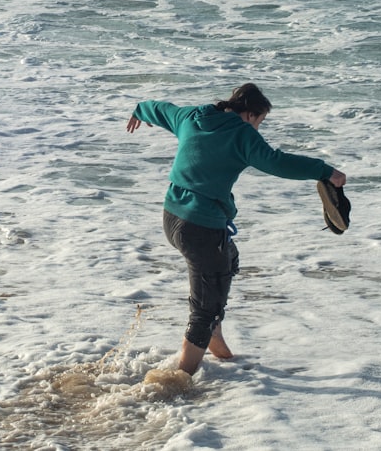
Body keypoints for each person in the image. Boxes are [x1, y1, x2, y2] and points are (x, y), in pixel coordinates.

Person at [126, 83, 346, 375]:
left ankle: (214, 335)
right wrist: (326, 171)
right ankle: (180, 380)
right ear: (250, 114)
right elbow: (277, 162)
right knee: (204, 308)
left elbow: (159, 108)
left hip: (172, 217)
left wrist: (139, 110)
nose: (258, 129)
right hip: (202, 227)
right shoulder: (242, 135)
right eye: (260, 122)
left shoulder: (190, 117)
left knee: (228, 260)